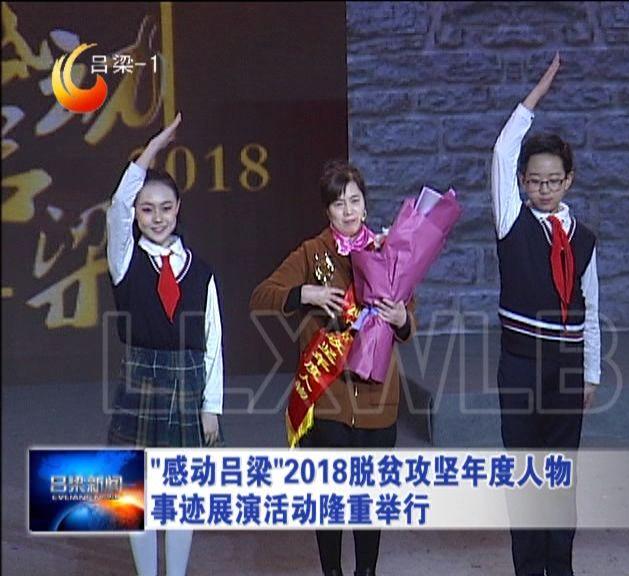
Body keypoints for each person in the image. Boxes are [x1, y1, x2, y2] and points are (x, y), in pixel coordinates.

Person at [249, 159, 414, 576]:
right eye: (339, 204)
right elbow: (261, 297)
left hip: (378, 399)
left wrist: (400, 318)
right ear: (328, 211)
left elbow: (409, 320)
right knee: (330, 500)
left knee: (369, 500)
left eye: (355, 201)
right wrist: (305, 293)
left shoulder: (387, 251)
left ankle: (367, 572)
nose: (348, 211)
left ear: (365, 204)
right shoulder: (312, 252)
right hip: (327, 400)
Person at [490, 52, 600, 576]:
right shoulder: (511, 221)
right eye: (535, 181)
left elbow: (591, 309)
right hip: (520, 367)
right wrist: (534, 97)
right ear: (521, 182)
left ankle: (561, 567)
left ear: (568, 181)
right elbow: (502, 149)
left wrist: (591, 372)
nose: (544, 189)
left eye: (553, 181)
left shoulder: (584, 238)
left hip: (567, 369)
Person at [106, 112, 224, 576]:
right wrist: (152, 150)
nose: (157, 217)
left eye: (166, 208)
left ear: (178, 210)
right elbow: (117, 205)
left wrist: (211, 406)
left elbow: (213, 340)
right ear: (137, 214)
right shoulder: (125, 260)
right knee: (136, 494)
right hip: (141, 384)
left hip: (189, 388)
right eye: (147, 209)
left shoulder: (201, 269)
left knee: (181, 495)